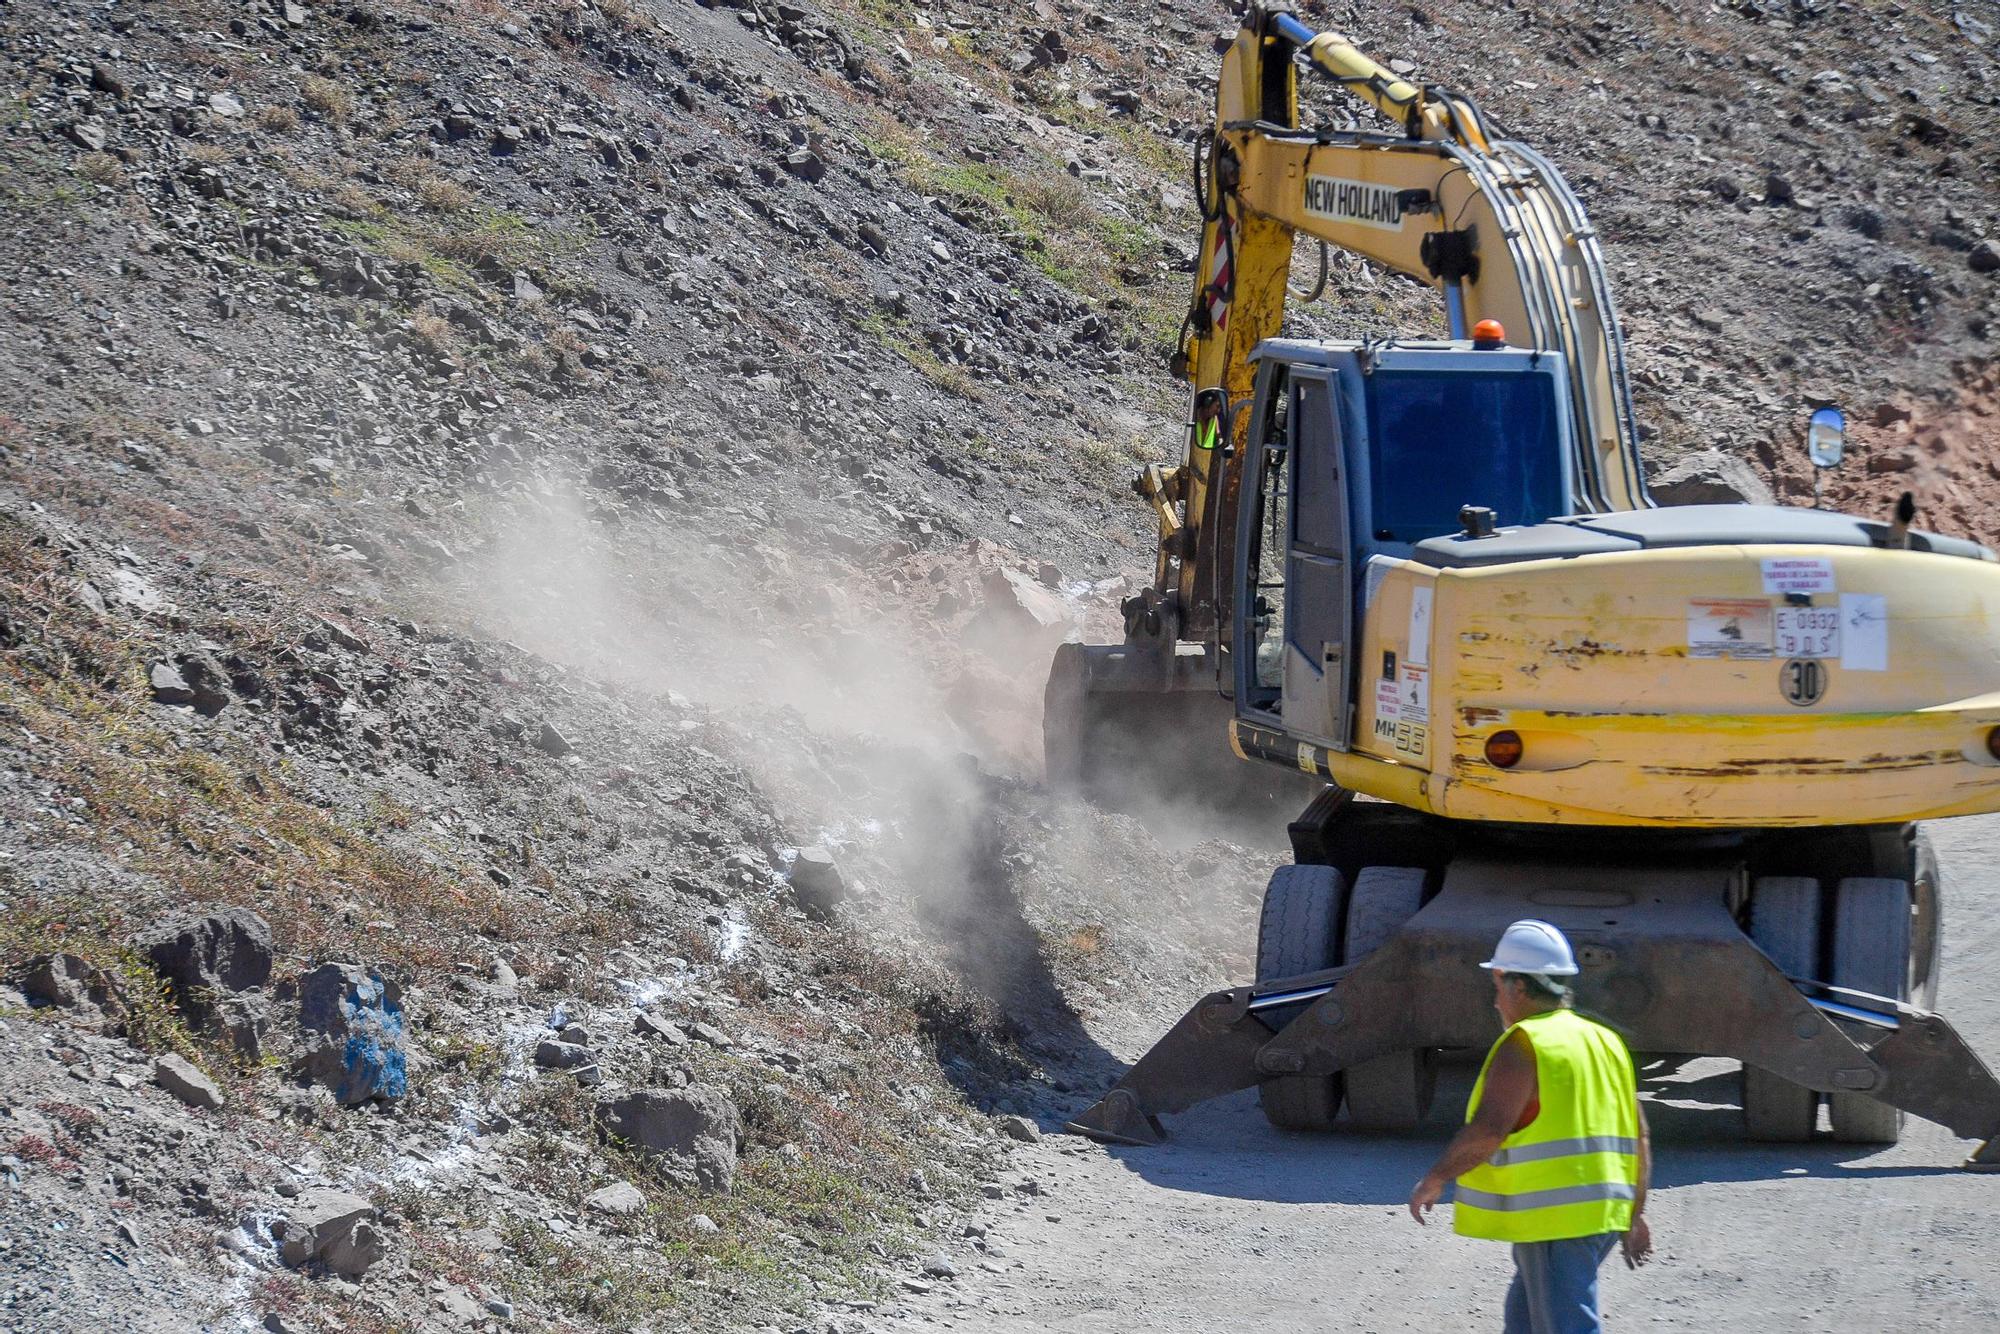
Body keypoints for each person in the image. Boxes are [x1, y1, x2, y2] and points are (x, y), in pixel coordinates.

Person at [1407, 919, 1653, 1334]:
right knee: (1524, 1319)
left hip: (1557, 1219)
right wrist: (1634, 1212)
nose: (1496, 1001)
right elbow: (1639, 1136)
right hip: (1599, 1216)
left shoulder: (1526, 1043)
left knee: (1565, 1326)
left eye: (1498, 985)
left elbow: (1489, 1130)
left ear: (1518, 987)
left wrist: (1436, 1177)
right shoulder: (1604, 1040)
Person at [1192, 388, 1225, 453]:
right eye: (1217, 406)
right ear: (1208, 403)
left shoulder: (1214, 420)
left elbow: (1219, 437)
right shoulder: (1193, 418)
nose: (1218, 411)